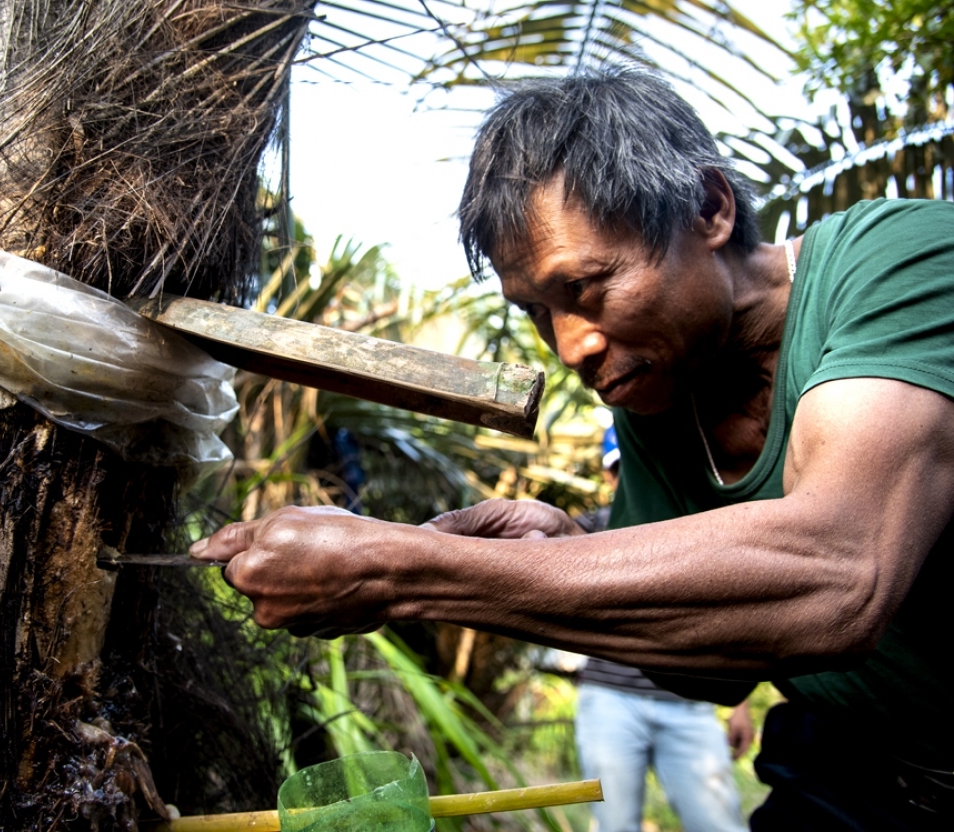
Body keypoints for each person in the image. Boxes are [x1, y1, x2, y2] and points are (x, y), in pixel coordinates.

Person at [191, 65, 954, 829]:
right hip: (850, 771)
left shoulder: (901, 263)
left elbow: (841, 573)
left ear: (710, 208)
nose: (569, 348)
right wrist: (555, 550)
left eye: (586, 287)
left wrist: (401, 567)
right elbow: (715, 673)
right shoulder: (661, 392)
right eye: (535, 312)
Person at [574, 426, 752, 832]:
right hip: (611, 699)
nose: (633, 477)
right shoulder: (590, 530)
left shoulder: (704, 531)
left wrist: (738, 706)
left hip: (690, 703)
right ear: (609, 475)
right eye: (622, 469)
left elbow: (734, 623)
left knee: (719, 821)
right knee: (614, 822)